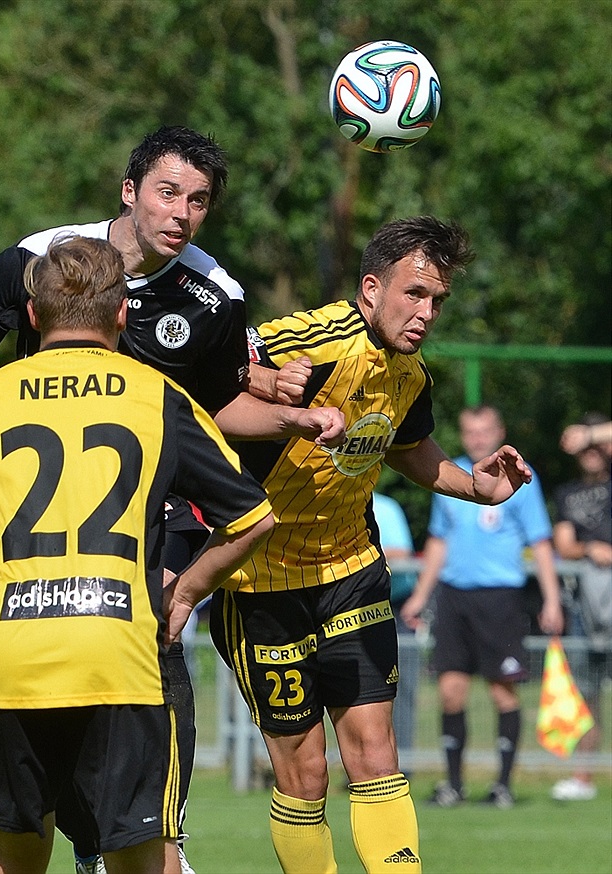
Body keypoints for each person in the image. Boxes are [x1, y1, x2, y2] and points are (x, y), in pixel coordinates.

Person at [0, 125, 343, 874]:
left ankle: (144, 835)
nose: (182, 213)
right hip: (81, 566)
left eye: (199, 200)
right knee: (131, 703)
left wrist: (290, 418)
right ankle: (135, 841)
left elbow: (215, 411)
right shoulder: (36, 260)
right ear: (129, 191)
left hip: (107, 553)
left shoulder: (215, 296)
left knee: (33, 830)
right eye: (168, 192)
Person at [208, 216, 540, 874]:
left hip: (352, 569)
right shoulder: (314, 337)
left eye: (437, 300)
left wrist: (476, 487)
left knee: (375, 754)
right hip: (258, 580)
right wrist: (285, 409)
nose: (426, 313)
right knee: (304, 774)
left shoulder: (409, 373)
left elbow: (412, 450)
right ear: (370, 289)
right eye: (414, 294)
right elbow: (209, 387)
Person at [401, 405, 565, 809]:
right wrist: (420, 596)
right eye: (470, 432)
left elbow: (540, 543)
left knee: (502, 691)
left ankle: (503, 784)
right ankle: (453, 784)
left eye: (484, 430)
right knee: (451, 692)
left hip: (500, 598)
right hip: (455, 598)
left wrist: (552, 600)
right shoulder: (449, 474)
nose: (477, 438)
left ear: (499, 431)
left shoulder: (519, 479)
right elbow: (439, 542)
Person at [550, 412, 612, 801]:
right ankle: (584, 776)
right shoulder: (567, 493)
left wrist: (588, 432)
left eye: (596, 445)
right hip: (588, 605)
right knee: (587, 693)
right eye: (584, 448)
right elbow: (564, 544)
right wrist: (591, 548)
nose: (590, 452)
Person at [371, 492, 420, 771]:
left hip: (395, 608)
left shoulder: (386, 508)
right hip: (351, 609)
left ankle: (403, 764)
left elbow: (402, 552)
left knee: (402, 693)